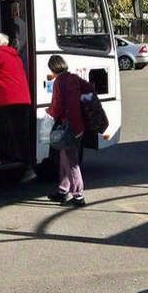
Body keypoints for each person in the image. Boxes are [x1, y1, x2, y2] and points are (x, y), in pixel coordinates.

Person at [46, 54, 92, 207]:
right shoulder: (72, 78)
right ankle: (63, 190)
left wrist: (49, 111)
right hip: (78, 125)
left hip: (68, 126)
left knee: (71, 162)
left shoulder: (59, 82)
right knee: (64, 158)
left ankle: (78, 196)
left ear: (53, 68)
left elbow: (57, 106)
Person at [0, 33, 34, 177]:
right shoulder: (16, 56)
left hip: (6, 99)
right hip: (23, 99)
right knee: (21, 134)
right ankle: (28, 167)